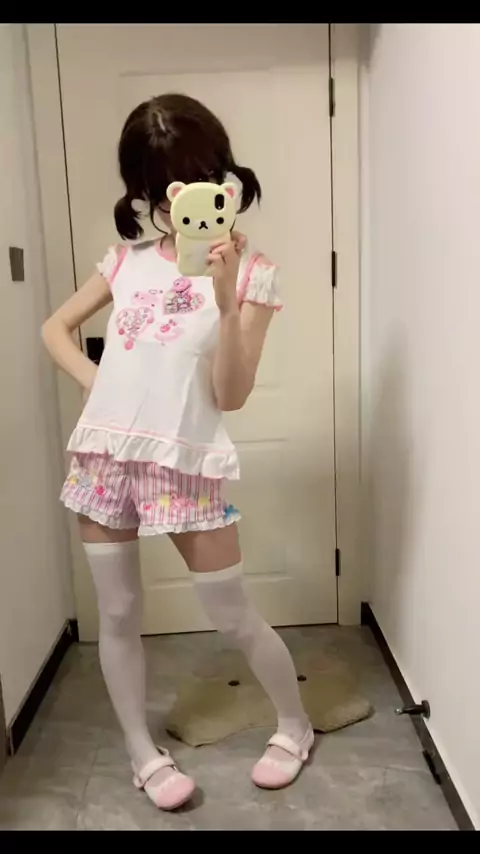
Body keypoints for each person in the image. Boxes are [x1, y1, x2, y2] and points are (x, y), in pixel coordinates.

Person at [42, 93, 313, 811]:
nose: (181, 199)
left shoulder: (253, 275)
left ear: (222, 174)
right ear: (145, 190)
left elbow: (232, 394)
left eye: (196, 177)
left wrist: (223, 300)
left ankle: (295, 724)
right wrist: (101, 385)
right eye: (164, 186)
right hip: (104, 459)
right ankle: (142, 752)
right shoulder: (124, 262)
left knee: (231, 611)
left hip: (185, 463)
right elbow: (53, 330)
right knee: (118, 613)